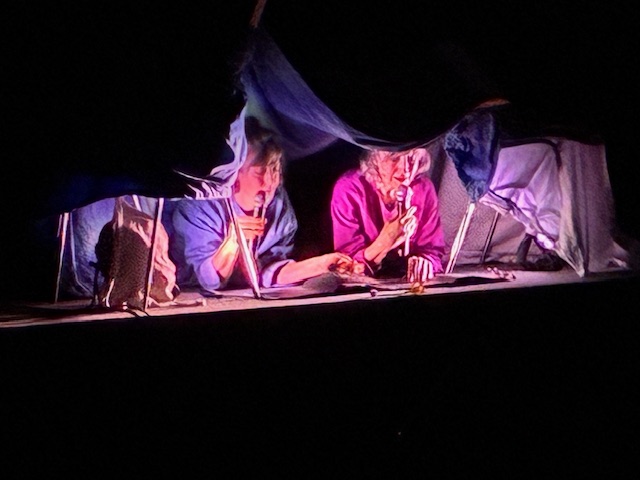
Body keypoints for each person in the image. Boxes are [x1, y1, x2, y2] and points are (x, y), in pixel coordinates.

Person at [170, 116, 357, 292]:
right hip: (191, 296)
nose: (270, 183)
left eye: (274, 170)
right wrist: (233, 241)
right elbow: (210, 281)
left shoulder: (279, 206)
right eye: (259, 173)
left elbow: (267, 272)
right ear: (233, 177)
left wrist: (320, 265)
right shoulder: (200, 206)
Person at [330, 146, 445, 284]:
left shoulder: (424, 189)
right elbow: (346, 266)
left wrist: (426, 262)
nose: (405, 169)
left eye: (411, 158)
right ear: (373, 158)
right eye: (394, 158)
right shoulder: (349, 189)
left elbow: (433, 251)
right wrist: (386, 239)